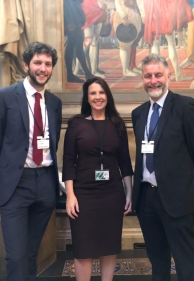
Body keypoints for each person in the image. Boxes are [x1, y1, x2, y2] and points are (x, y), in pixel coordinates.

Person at [0, 42, 62, 281]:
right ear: (26, 64)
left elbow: (54, 141)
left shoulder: (55, 103)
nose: (43, 68)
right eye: (38, 63)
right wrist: (0, 182)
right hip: (16, 185)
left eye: (47, 64)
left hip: (46, 184)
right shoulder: (5, 96)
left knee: (31, 253)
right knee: (16, 256)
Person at [132, 53, 194, 281]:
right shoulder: (139, 114)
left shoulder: (185, 106)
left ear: (169, 76)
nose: (153, 80)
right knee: (157, 258)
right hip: (146, 198)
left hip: (177, 197)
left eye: (158, 75)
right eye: (148, 76)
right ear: (143, 79)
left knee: (185, 259)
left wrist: (180, 180)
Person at [62, 77, 133, 281]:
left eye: (101, 92)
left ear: (107, 96)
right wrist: (70, 195)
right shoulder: (76, 124)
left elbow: (125, 161)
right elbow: (68, 161)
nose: (98, 97)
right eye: (93, 93)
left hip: (112, 194)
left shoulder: (117, 124)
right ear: (87, 97)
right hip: (83, 195)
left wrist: (129, 193)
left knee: (109, 246)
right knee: (83, 248)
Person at [141, 0, 194, 81]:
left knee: (155, 43)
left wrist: (143, 13)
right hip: (165, 8)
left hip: (152, 7)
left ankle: (156, 75)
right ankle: (178, 74)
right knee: (171, 42)